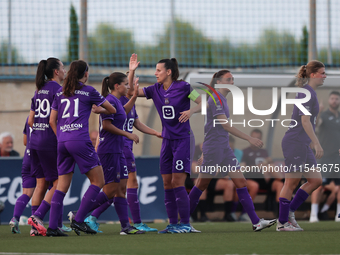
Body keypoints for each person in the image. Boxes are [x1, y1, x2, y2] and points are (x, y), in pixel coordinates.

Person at [189, 70, 276, 232]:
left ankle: (256, 222)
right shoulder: (216, 99)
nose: (232, 82)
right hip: (215, 149)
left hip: (224, 149)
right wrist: (249, 138)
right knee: (201, 184)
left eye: (233, 79)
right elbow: (225, 126)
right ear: (219, 82)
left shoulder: (221, 99)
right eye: (229, 79)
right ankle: (182, 222)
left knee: (241, 182)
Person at [45, 60, 115, 237]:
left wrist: (61, 137)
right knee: (98, 182)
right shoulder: (89, 91)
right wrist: (98, 109)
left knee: (61, 186)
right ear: (85, 74)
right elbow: (112, 109)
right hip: (80, 141)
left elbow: (51, 121)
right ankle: (79, 219)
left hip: (62, 142)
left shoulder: (60, 92)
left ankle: (53, 227)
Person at [137, 58, 201, 233]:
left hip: (183, 140)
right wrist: (132, 71)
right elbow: (131, 92)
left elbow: (203, 102)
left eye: (158, 70)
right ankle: (173, 224)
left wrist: (191, 111)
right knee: (167, 183)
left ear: (169, 72)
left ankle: (186, 224)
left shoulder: (184, 87)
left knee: (177, 181)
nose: (155, 73)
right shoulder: (154, 89)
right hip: (167, 140)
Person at [277, 60, 326, 231]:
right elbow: (304, 121)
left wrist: (311, 140)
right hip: (295, 142)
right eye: (322, 73)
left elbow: (309, 121)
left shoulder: (310, 93)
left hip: (303, 143)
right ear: (313, 75)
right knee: (291, 183)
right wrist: (317, 143)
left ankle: (289, 213)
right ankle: (282, 223)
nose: (325, 76)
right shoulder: (306, 92)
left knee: (315, 180)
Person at [27, 58, 67, 236]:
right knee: (59, 183)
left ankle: (35, 227)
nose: (65, 70)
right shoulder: (58, 90)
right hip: (49, 142)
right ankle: (39, 217)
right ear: (56, 72)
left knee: (41, 184)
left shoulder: (39, 90)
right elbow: (57, 119)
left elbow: (30, 121)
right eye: (63, 67)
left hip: (34, 140)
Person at [309, 91, 340, 222]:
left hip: (337, 157)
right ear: (329, 100)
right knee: (318, 184)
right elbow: (315, 124)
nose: (334, 101)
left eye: (337, 99)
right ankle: (314, 214)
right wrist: (318, 111)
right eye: (332, 98)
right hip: (324, 157)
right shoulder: (324, 115)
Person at [240, 129, 283, 220]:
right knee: (255, 186)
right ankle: (245, 213)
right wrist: (257, 166)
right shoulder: (245, 152)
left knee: (279, 184)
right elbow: (242, 169)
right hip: (251, 177)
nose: (256, 140)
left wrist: (268, 162)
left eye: (258, 138)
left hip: (264, 178)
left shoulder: (264, 152)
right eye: (254, 138)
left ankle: (280, 214)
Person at [9, 118, 36, 235]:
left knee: (26, 193)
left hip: (27, 158)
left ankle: (15, 218)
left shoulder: (29, 118)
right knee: (52, 188)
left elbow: (25, 141)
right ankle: (36, 226)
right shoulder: (49, 115)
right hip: (41, 157)